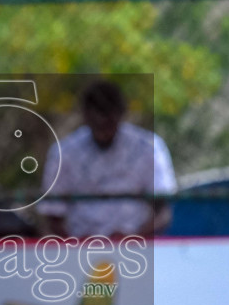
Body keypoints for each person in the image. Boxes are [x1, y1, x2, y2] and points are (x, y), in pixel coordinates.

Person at [38, 80, 176, 238]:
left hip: (137, 248)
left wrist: (133, 238)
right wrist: (77, 245)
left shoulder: (149, 147)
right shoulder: (63, 152)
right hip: (80, 249)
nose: (102, 126)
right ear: (85, 116)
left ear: (121, 114)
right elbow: (52, 216)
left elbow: (163, 214)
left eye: (108, 119)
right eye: (96, 119)